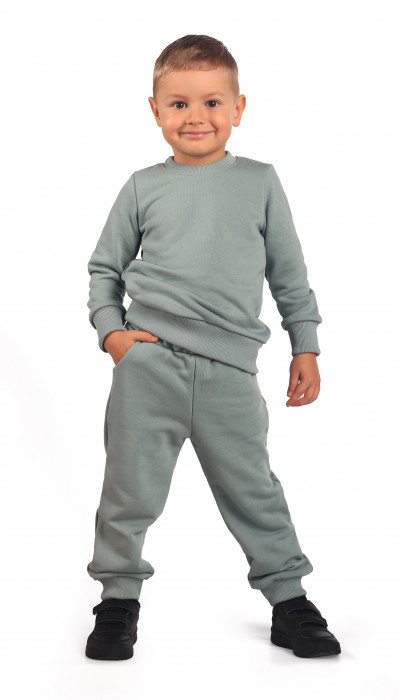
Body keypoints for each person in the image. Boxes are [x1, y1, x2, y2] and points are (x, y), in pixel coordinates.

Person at [84, 34, 341, 661]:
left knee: (255, 489)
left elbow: (289, 273)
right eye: (178, 104)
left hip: (230, 371)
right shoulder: (142, 186)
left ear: (238, 107)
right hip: (148, 366)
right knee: (128, 491)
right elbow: (104, 268)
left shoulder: (259, 181)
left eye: (212, 102)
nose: (195, 117)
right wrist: (113, 334)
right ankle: (117, 602)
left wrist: (305, 345)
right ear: (155, 111)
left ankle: (289, 600)